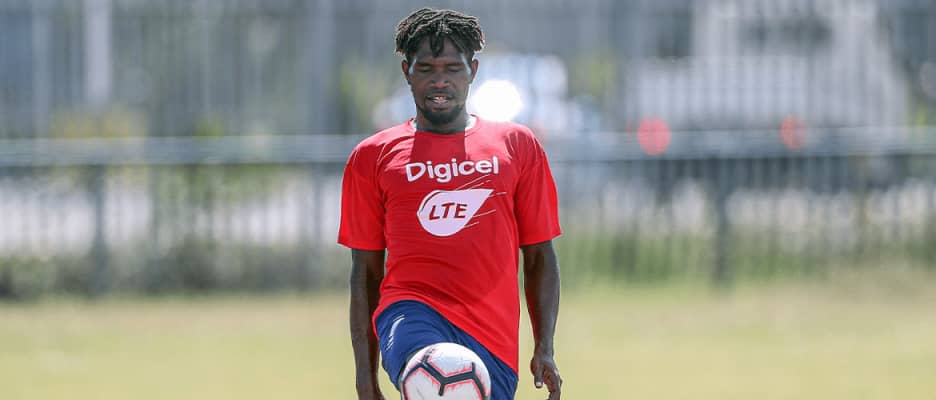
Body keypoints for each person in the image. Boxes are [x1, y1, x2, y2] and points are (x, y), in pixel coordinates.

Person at [339, 7, 562, 400]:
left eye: (452, 68)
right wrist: (364, 376)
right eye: (425, 69)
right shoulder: (372, 157)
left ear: (473, 70)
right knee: (438, 377)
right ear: (406, 72)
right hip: (410, 314)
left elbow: (539, 255)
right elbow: (366, 272)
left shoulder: (518, 146)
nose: (439, 80)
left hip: (492, 338)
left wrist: (544, 346)